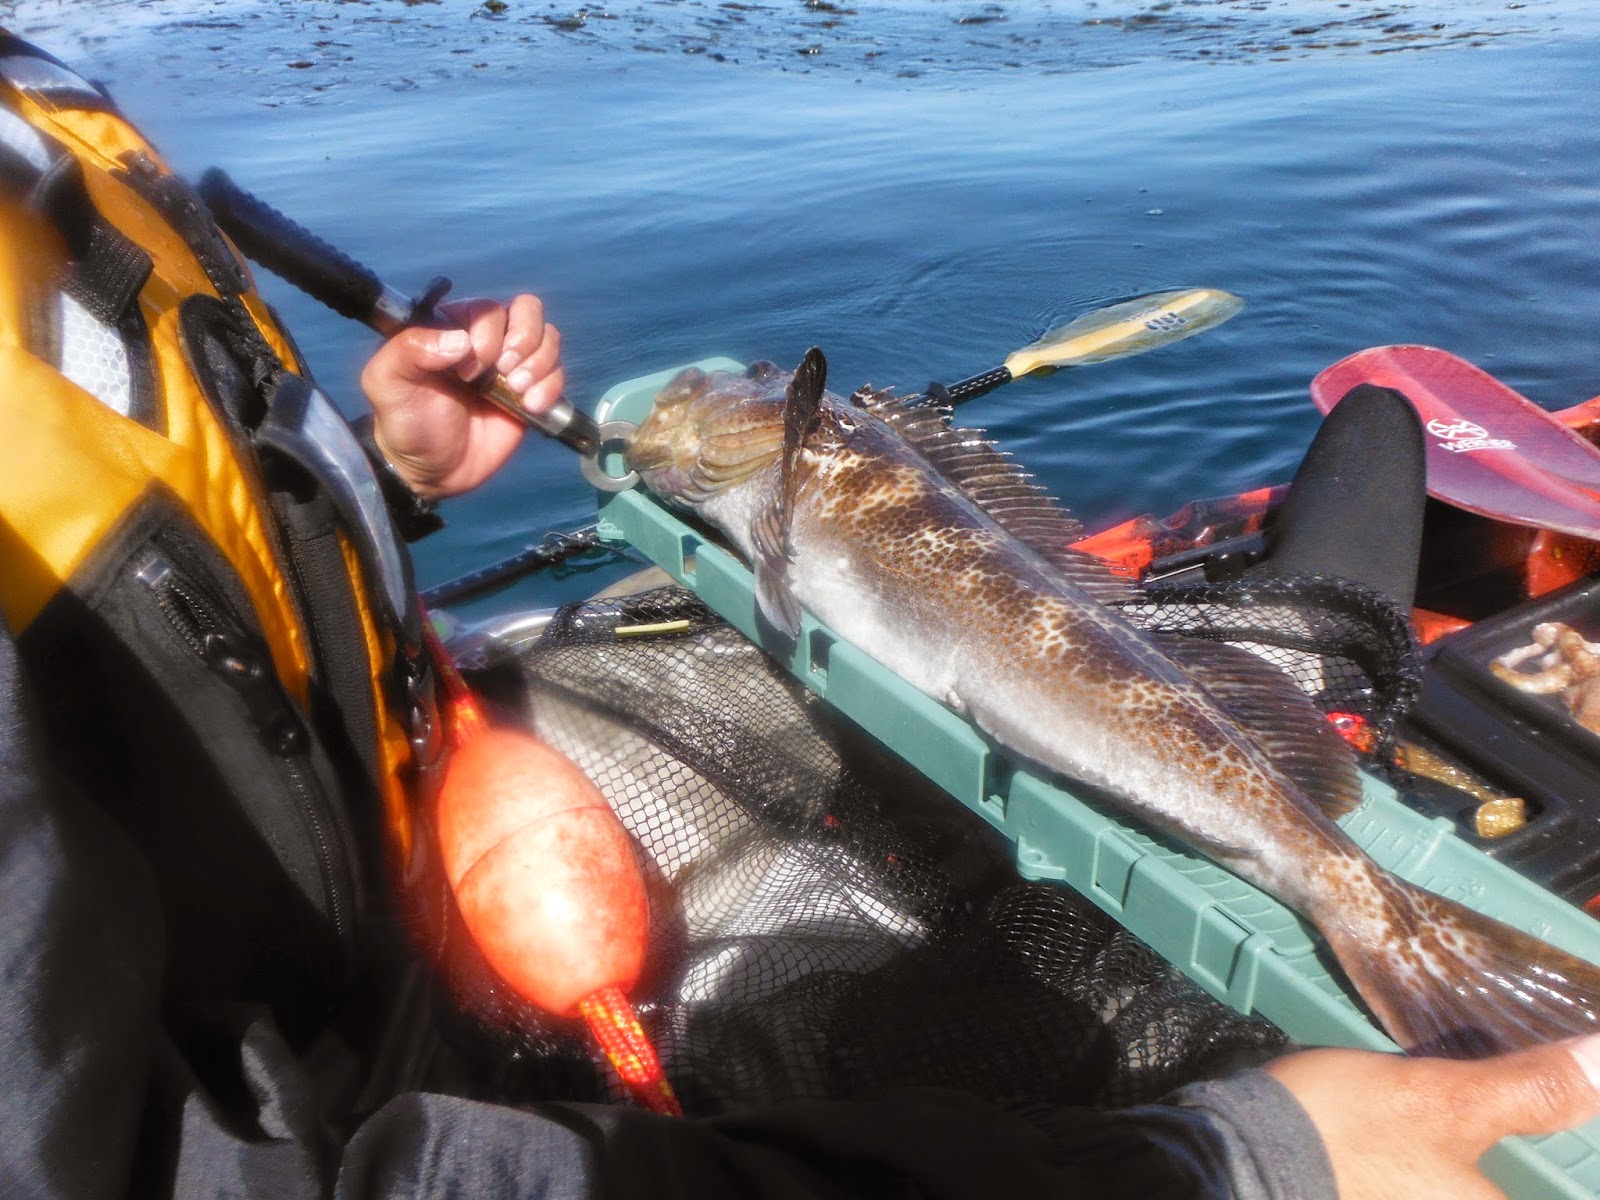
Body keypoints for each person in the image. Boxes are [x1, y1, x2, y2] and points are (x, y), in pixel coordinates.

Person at [0, 29, 1596, 1200]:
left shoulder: (44, 123)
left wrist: (370, 475)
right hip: (373, 1073)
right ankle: (1320, 730)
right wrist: (1228, 1164)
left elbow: (159, 619)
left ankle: (1317, 754)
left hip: (390, 863)